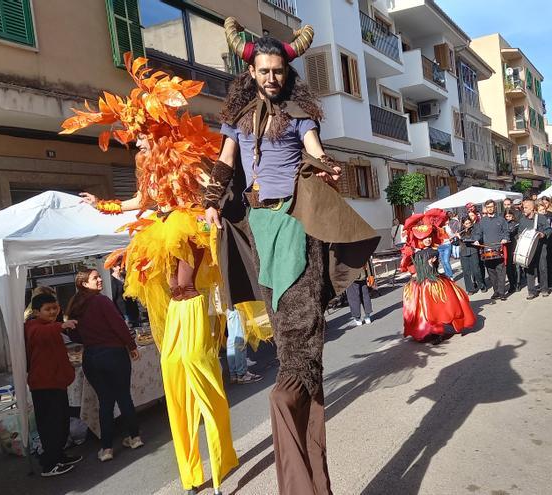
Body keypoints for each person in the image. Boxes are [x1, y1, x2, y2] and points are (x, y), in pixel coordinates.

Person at [62, 55, 265, 494]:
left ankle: (221, 455)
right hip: (170, 287)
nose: (135, 141)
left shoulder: (182, 150)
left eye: (139, 133)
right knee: (174, 371)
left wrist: (210, 212)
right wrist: (106, 204)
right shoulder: (145, 164)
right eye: (131, 136)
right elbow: (141, 199)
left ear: (154, 126)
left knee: (196, 362)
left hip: (189, 237)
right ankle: (193, 471)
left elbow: (212, 184)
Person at [204, 20, 380, 494]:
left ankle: (293, 388)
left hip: (296, 221)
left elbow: (313, 149)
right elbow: (225, 160)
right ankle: (299, 400)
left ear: (288, 71)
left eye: (278, 71)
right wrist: (210, 203)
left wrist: (327, 169)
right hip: (257, 225)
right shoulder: (238, 116)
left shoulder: (301, 111)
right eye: (264, 71)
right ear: (251, 72)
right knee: (281, 317)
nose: (271, 78)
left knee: (301, 320)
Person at [65, 269, 142, 462]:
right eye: (95, 278)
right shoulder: (101, 301)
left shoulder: (75, 305)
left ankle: (107, 448)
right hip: (114, 354)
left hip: (92, 356)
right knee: (124, 397)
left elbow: (73, 333)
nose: (100, 280)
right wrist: (131, 345)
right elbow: (118, 324)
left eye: (99, 276)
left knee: (105, 402)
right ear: (84, 283)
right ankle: (134, 437)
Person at [25, 293, 82, 477]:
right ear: (36, 312)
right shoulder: (33, 327)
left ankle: (58, 456)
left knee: (61, 422)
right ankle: (50, 464)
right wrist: (61, 325)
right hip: (44, 385)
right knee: (51, 425)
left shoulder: (49, 326)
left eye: (55, 308)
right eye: (47, 309)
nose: (52, 312)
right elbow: (39, 334)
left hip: (57, 382)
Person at [399, 211, 475, 344]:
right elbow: (410, 268)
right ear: (419, 239)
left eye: (429, 237)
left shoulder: (434, 251)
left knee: (436, 309)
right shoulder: (416, 253)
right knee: (421, 310)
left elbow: (432, 265)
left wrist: (430, 263)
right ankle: (425, 331)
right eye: (425, 238)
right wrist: (409, 261)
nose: (428, 239)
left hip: (433, 283)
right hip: (419, 283)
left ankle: (437, 332)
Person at [475, 199, 510, 301]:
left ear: (495, 207)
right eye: (488, 207)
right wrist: (477, 240)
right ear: (486, 208)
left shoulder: (501, 220)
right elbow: (478, 233)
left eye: (491, 206)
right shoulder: (482, 221)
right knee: (491, 273)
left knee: (501, 272)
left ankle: (502, 292)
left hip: (499, 249)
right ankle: (496, 292)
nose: (490, 208)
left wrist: (505, 238)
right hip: (487, 250)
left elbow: (506, 232)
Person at [518, 200, 552, 299]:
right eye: (523, 207)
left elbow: (549, 229)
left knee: (542, 268)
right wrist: (520, 236)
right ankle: (531, 291)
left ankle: (544, 289)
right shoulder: (522, 220)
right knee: (529, 269)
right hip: (528, 248)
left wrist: (543, 234)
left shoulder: (540, 218)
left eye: (526, 207)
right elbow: (519, 231)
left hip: (541, 246)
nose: (524, 210)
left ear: (532, 208)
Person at [225, 308, 262, 385]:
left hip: (229, 309)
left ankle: (234, 374)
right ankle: (242, 374)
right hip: (236, 307)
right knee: (240, 339)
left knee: (232, 339)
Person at [457, 217, 485, 294]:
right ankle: (470, 289)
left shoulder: (474, 230)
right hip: (463, 252)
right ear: (463, 224)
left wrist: (461, 238)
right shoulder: (460, 231)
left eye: (469, 223)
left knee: (476, 270)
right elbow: (456, 243)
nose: (468, 225)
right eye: (466, 224)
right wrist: (455, 238)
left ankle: (481, 285)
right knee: (466, 272)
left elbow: (470, 239)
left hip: (473, 251)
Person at [110, 263, 141, 327]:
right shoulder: (112, 281)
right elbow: (113, 298)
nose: (122, 267)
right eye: (119, 265)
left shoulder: (125, 276)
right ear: (113, 268)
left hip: (133, 309)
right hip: (124, 312)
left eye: (122, 265)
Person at [504, 208, 520, 293]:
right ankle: (511, 284)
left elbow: (513, 232)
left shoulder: (516, 224)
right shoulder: (504, 224)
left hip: (514, 245)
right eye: (506, 216)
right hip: (506, 247)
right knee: (508, 267)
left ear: (513, 216)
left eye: (509, 216)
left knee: (516, 266)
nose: (508, 218)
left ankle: (517, 284)